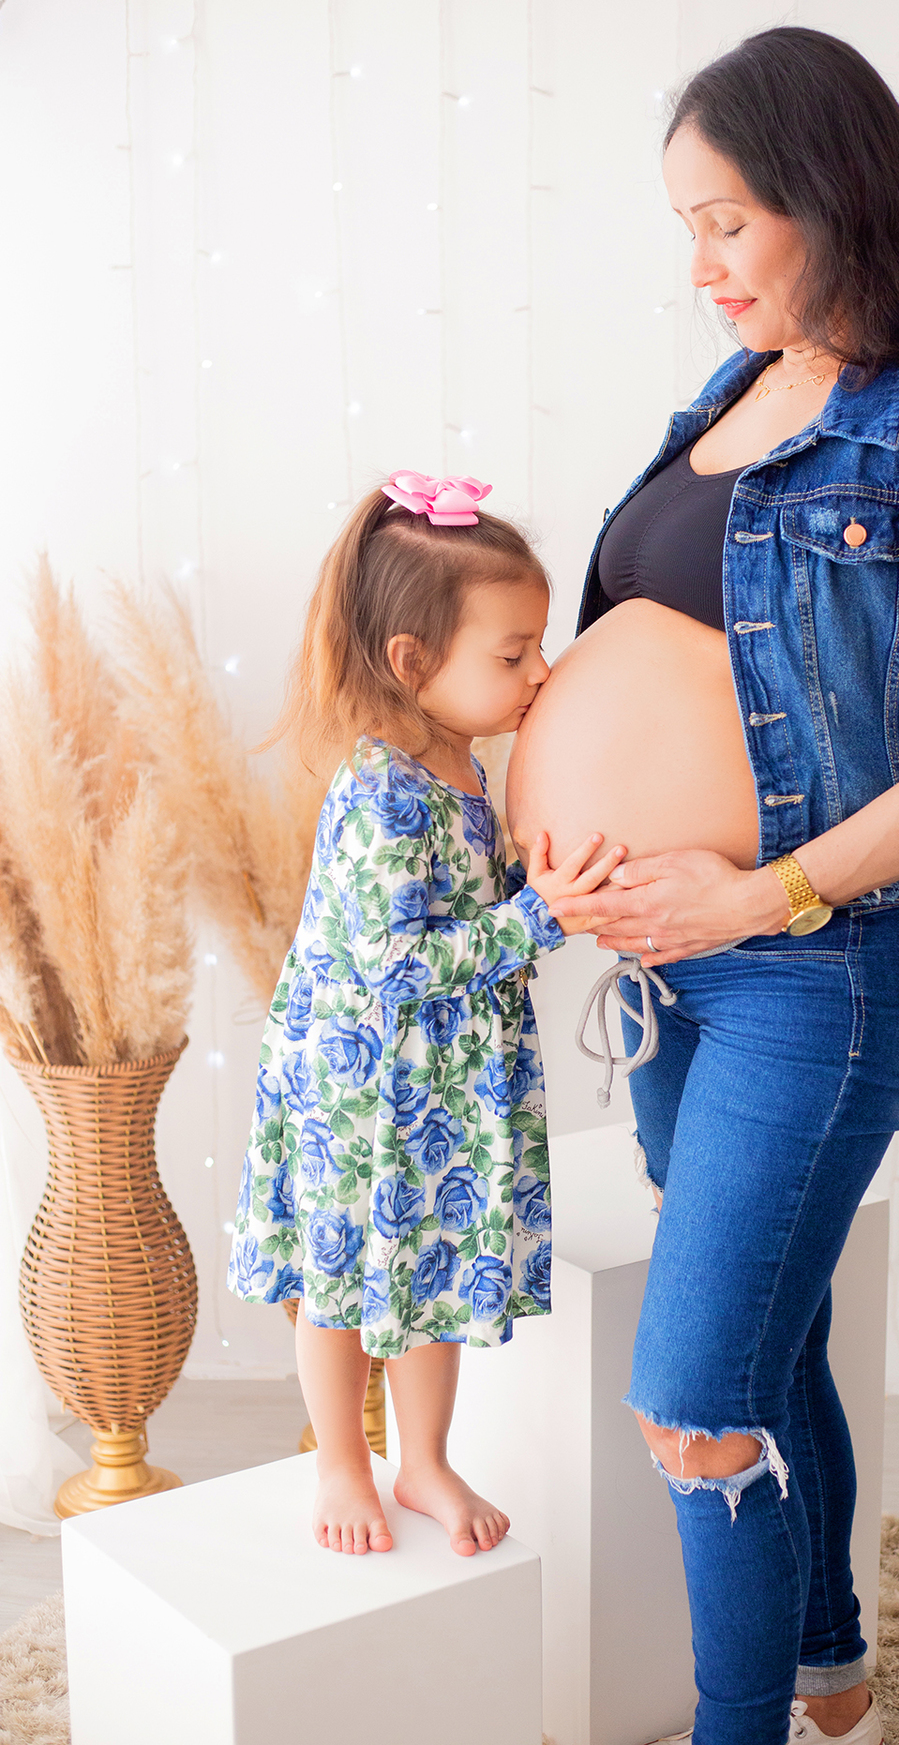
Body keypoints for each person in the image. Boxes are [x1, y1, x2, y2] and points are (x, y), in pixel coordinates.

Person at [528, 28, 899, 1745]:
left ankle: (740, 1724)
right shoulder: (723, 402)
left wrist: (759, 899)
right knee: (776, 1334)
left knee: (696, 1403)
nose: (701, 266)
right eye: (685, 228)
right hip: (669, 975)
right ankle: (833, 1679)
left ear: (832, 197)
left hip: (813, 978)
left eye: (728, 223)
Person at [228, 471, 624, 1558]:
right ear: (412, 663)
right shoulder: (381, 794)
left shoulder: (462, 767)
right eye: (514, 654)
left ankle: (426, 1460)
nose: (541, 673)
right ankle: (342, 1462)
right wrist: (536, 917)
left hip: (437, 1081)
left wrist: (536, 883)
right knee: (344, 1283)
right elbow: (395, 965)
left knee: (432, 1276)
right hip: (363, 1090)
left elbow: (469, 909)